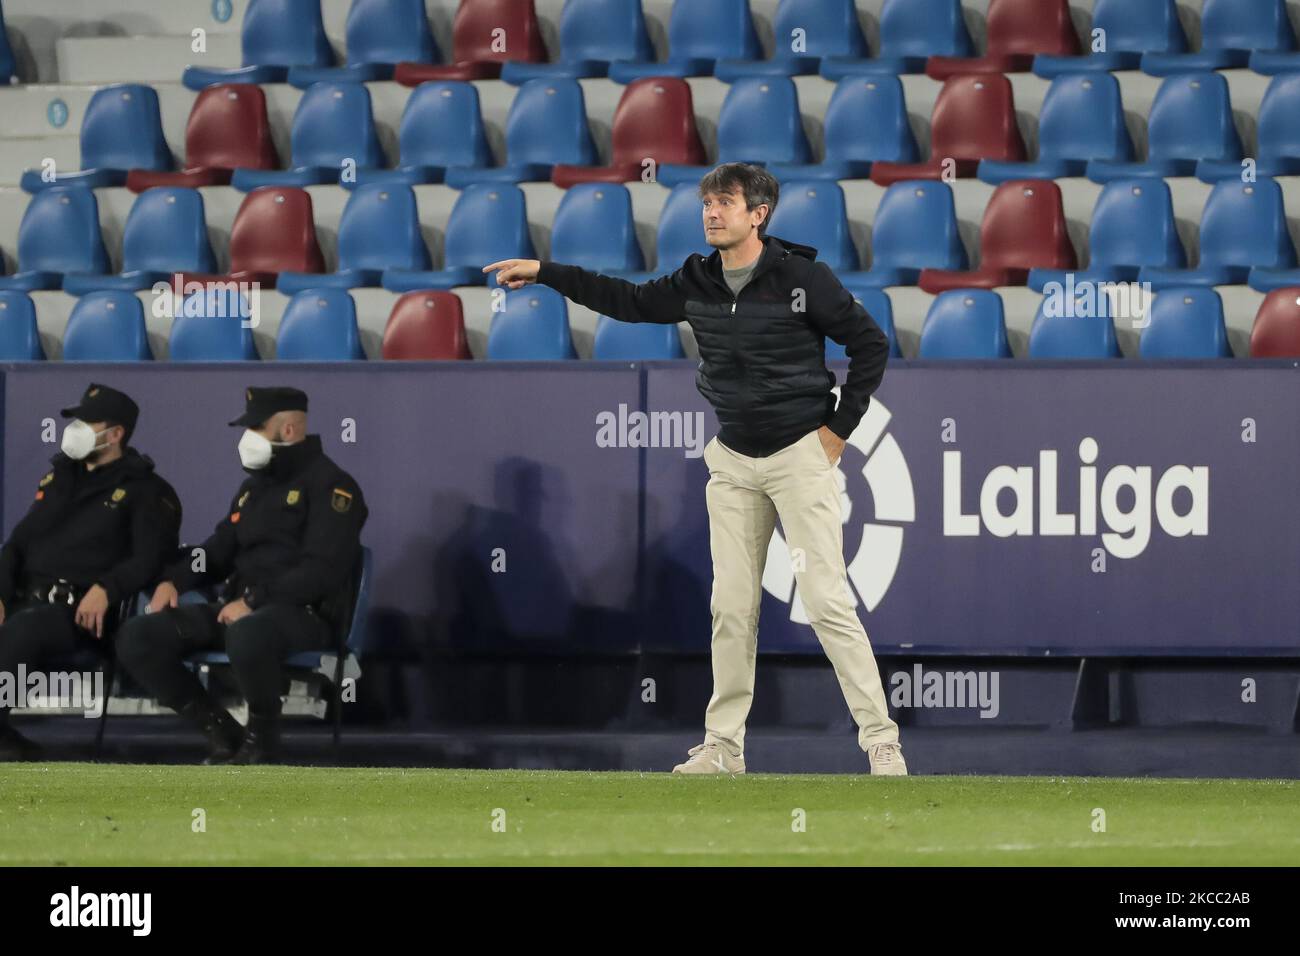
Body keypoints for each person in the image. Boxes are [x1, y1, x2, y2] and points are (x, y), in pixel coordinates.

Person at [484, 162, 907, 776]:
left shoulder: (802, 278)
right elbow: (626, 302)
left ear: (758, 214)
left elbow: (870, 344)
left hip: (797, 457)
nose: (711, 213)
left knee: (825, 601)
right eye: (707, 203)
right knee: (731, 607)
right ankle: (724, 748)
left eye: (725, 203)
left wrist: (838, 430)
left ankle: (881, 742)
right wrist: (549, 273)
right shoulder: (697, 280)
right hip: (733, 460)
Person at [115, 387, 367, 765]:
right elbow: (216, 551)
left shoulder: (333, 486)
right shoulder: (253, 490)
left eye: (256, 427)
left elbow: (322, 571)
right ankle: (222, 732)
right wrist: (175, 581)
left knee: (248, 632)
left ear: (289, 430)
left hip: (303, 614)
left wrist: (253, 601)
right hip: (238, 609)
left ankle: (263, 743)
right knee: (138, 636)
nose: (247, 438)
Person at [0, 383, 181, 760]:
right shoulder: (58, 479)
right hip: (23, 599)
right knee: (20, 619)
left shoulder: (146, 490)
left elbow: (150, 559)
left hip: (80, 615)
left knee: (25, 628)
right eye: (75, 420)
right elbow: (16, 545)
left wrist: (107, 587)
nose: (75, 429)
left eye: (87, 422)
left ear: (115, 434)